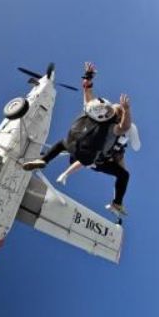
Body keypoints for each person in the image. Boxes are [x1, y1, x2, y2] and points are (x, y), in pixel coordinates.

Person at [22, 62, 134, 215]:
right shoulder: (113, 128)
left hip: (73, 147)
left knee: (62, 143)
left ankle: (44, 160)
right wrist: (126, 110)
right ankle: (117, 203)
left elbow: (87, 90)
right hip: (90, 159)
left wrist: (88, 75)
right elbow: (125, 127)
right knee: (124, 175)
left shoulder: (90, 109)